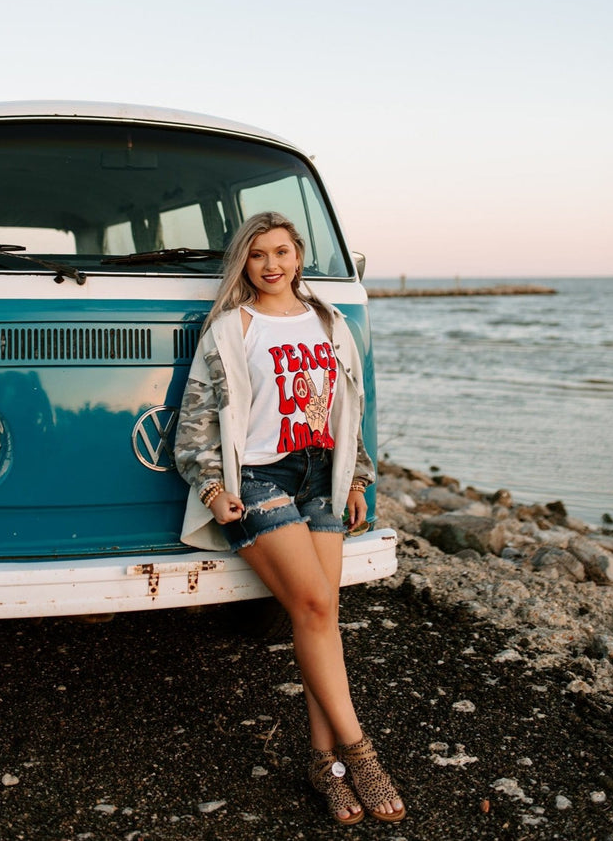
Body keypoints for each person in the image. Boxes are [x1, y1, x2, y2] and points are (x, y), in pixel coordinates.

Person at [174, 211, 405, 826]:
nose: (271, 264)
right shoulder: (230, 328)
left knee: (319, 618)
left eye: (281, 251)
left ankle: (323, 766)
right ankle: (360, 753)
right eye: (257, 255)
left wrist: (356, 476)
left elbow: (349, 409)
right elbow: (194, 421)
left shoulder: (330, 322)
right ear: (244, 264)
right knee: (315, 609)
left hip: (320, 476)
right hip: (258, 479)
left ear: (298, 256)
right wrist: (213, 487)